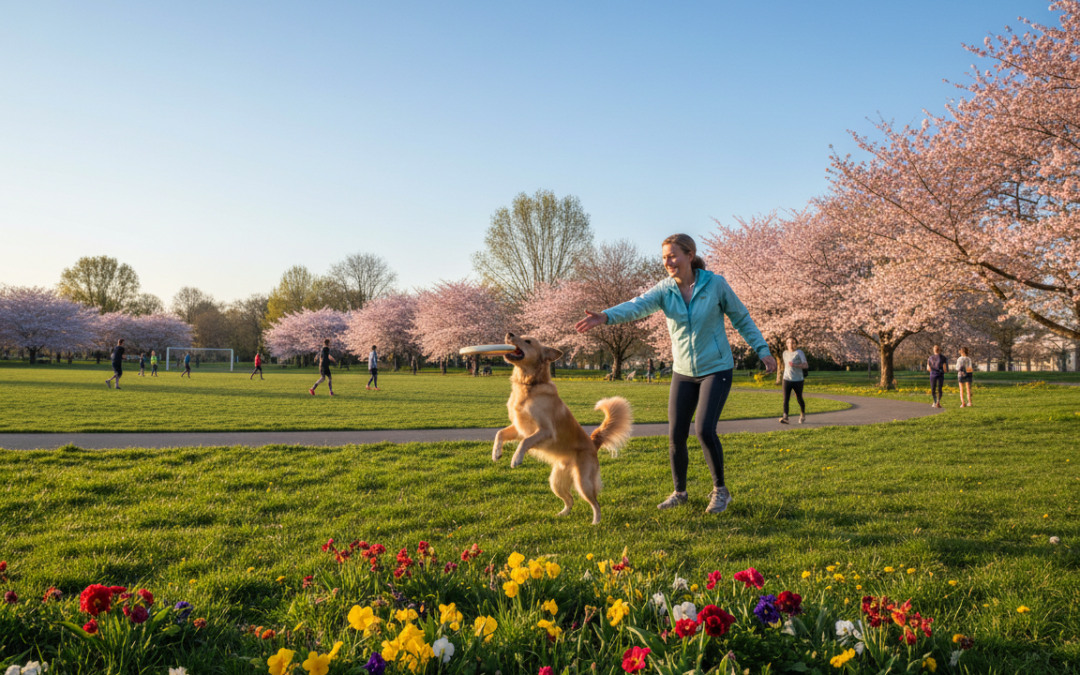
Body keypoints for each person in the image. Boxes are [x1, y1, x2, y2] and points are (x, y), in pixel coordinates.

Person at [576, 233, 776, 515]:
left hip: (716, 368)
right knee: (676, 434)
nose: (668, 262)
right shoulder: (665, 289)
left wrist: (763, 350)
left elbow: (741, 318)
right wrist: (606, 316)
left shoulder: (715, 285)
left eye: (673, 255)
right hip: (683, 371)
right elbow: (637, 305)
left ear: (689, 255)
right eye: (664, 257)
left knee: (704, 429)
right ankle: (679, 492)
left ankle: (721, 492)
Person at [779, 337, 808, 424]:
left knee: (799, 398)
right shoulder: (784, 353)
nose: (791, 344)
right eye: (788, 342)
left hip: (798, 379)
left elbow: (806, 365)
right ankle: (785, 417)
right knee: (785, 399)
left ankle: (802, 413)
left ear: (796, 344)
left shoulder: (799, 353)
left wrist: (796, 365)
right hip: (787, 378)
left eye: (793, 342)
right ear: (786, 344)